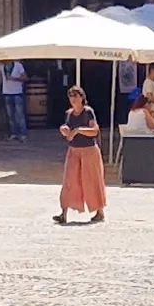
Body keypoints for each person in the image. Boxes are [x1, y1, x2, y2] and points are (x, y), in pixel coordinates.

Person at [53, 84, 108, 226]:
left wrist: (78, 130)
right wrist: (64, 129)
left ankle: (99, 211)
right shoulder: (69, 113)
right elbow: (67, 128)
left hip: (89, 150)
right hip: (74, 150)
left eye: (76, 96)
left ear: (82, 97)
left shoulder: (88, 112)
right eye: (71, 96)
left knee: (91, 180)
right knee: (69, 180)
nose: (73, 99)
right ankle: (64, 212)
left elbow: (94, 130)